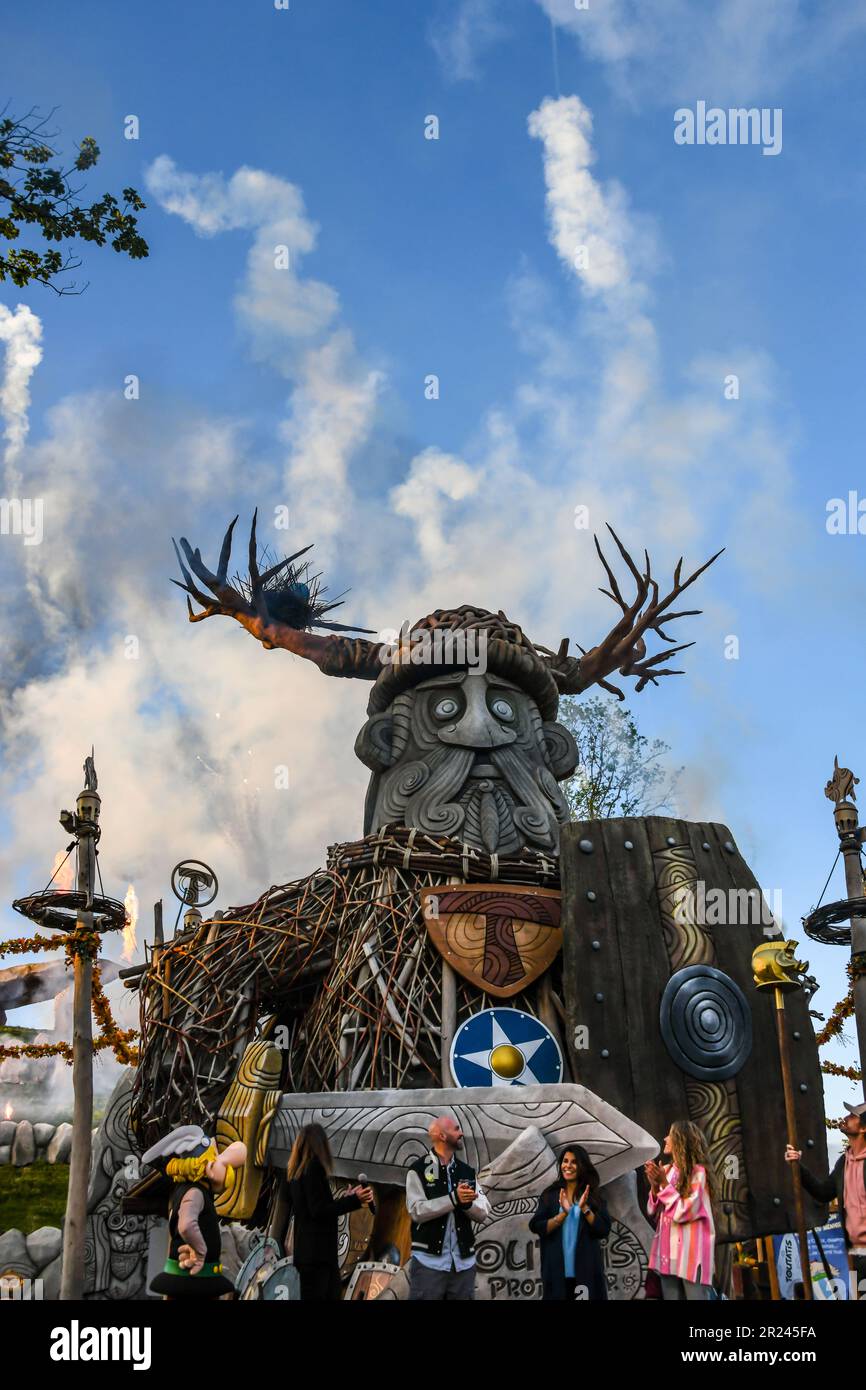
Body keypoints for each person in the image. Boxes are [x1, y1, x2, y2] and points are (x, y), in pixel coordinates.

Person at [142, 1123, 248, 1299]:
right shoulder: (195, 1192)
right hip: (194, 1281)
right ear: (206, 1166)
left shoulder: (187, 1190)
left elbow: (240, 1150)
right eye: (216, 1158)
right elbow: (186, 1225)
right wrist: (200, 1253)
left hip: (196, 1279)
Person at [281, 1122, 374, 1301]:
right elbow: (319, 1211)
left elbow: (311, 1208)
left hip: (306, 1253)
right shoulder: (314, 1168)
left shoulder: (294, 1172)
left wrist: (346, 1197)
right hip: (319, 1255)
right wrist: (354, 1200)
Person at [405, 1114, 491, 1300]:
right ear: (443, 1136)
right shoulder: (418, 1169)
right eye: (456, 1129)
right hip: (429, 1264)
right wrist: (453, 1199)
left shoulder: (466, 1171)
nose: (461, 1133)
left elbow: (483, 1211)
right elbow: (416, 1211)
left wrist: (467, 1204)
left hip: (463, 1265)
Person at [786, 1099, 866, 1294]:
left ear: (863, 1128)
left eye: (853, 1116)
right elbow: (823, 1193)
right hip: (856, 1253)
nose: (846, 1117)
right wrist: (798, 1167)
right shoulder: (844, 1162)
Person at [644, 1119, 716, 1300]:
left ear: (681, 1140)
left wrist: (663, 1184)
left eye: (670, 1134)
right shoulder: (666, 1171)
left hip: (691, 1256)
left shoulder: (698, 1173)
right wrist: (654, 1187)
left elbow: (686, 1211)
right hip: (667, 1255)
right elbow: (653, 1212)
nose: (665, 1138)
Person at [528, 1145, 611, 1300]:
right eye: (565, 1161)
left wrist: (585, 1208)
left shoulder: (593, 1196)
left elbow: (603, 1230)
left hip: (585, 1275)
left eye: (574, 1162)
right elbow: (536, 1226)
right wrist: (562, 1215)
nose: (568, 1165)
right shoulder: (551, 1195)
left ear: (582, 1166)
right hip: (556, 1273)